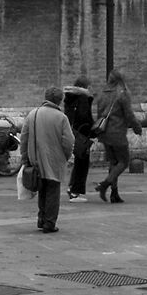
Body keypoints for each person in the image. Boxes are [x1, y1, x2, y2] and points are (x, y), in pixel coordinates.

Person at [23, 88, 75, 235]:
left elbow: (24, 138)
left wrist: (25, 158)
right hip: (54, 159)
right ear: (60, 100)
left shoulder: (33, 114)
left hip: (35, 159)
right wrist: (65, 156)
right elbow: (69, 141)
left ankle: (41, 218)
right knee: (53, 190)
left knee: (42, 189)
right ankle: (50, 222)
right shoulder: (61, 117)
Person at [95, 67, 142, 204]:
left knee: (113, 162)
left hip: (105, 133)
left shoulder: (102, 94)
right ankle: (105, 184)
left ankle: (114, 193)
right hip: (117, 133)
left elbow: (99, 114)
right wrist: (137, 127)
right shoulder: (122, 94)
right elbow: (129, 115)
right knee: (123, 161)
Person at [62, 68, 96, 199]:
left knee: (78, 162)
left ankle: (73, 188)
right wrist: (93, 130)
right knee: (82, 163)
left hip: (74, 132)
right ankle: (75, 191)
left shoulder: (71, 98)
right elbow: (84, 117)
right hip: (82, 133)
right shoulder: (82, 98)